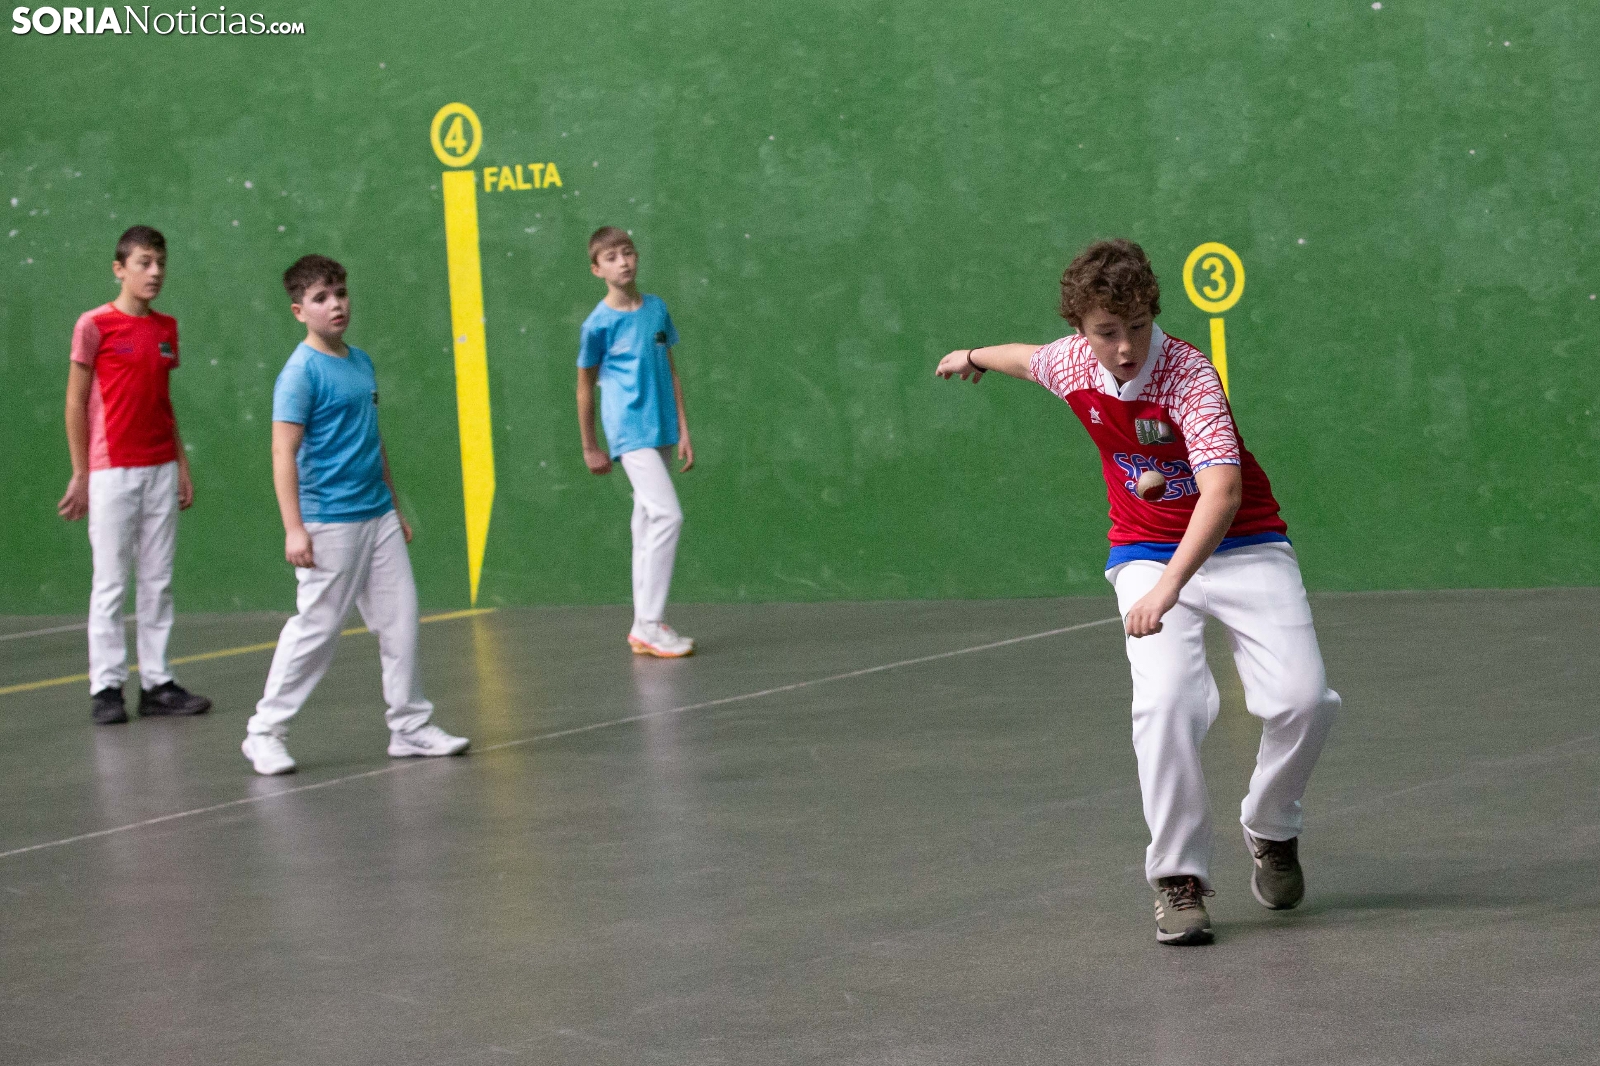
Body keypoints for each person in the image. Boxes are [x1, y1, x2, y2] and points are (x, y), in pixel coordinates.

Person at [935, 239, 1340, 946]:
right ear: (1081, 329)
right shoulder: (1070, 362)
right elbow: (1025, 359)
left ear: (1153, 314)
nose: (1125, 347)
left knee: (1304, 700)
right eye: (1107, 332)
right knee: (1166, 703)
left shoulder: (1189, 376)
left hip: (1243, 543)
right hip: (1145, 549)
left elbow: (1222, 492)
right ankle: (1178, 878)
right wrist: (971, 356)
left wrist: (1170, 588)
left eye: (1138, 327)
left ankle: (1271, 826)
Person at [241, 254, 469, 776]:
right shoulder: (299, 374)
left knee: (401, 622)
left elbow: (372, 438)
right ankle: (264, 732)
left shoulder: (360, 361)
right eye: (321, 298)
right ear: (299, 311)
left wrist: (393, 504)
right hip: (329, 521)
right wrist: (294, 528)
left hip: (377, 515)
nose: (336, 305)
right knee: (316, 630)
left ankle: (409, 727)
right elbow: (282, 452)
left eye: (340, 293)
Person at [59, 225, 211, 725]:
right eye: (145, 263)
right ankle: (106, 688)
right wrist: (81, 472)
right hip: (111, 471)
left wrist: (181, 463)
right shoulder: (94, 325)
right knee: (110, 582)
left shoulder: (166, 328)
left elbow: (163, 402)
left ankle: (157, 684)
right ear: (119, 269)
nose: (156, 272)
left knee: (158, 581)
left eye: (161, 263)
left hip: (160, 469)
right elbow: (75, 402)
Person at [576, 226, 696, 657]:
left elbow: (670, 368)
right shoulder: (597, 325)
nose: (623, 262)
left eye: (627, 253)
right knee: (668, 516)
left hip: (661, 426)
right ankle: (650, 623)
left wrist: (683, 427)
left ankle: (641, 625)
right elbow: (584, 389)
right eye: (611, 258)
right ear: (597, 270)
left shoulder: (657, 309)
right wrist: (590, 446)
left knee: (646, 522)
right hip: (629, 432)